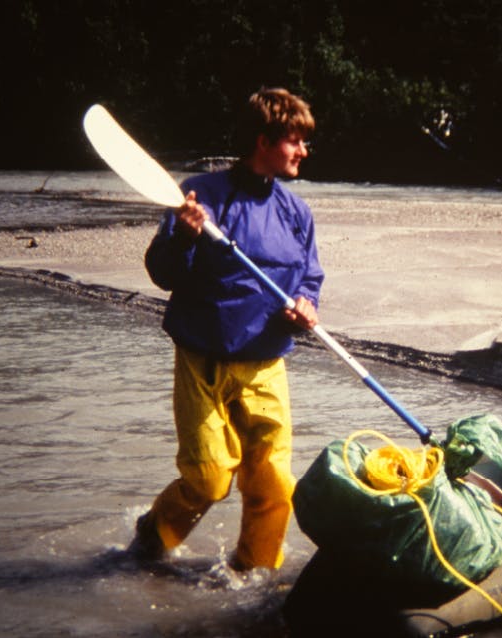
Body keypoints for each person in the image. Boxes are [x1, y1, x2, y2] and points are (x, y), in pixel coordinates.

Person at [129, 87, 323, 571]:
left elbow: (310, 278)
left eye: (304, 142)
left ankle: (254, 574)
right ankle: (153, 535)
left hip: (266, 362)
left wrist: (306, 306)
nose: (304, 151)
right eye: (295, 141)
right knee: (211, 478)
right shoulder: (203, 196)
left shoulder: (297, 214)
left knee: (275, 484)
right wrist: (187, 235)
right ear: (263, 140)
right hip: (204, 359)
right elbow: (164, 272)